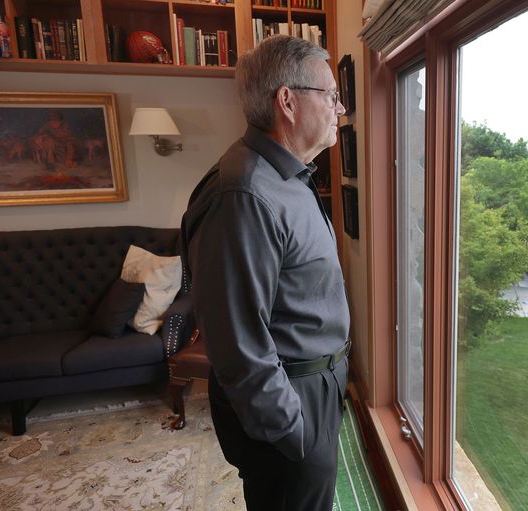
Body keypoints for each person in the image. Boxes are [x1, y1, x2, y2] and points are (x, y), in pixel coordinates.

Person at [180, 35, 349, 511]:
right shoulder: (244, 195)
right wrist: (292, 434)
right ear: (288, 101)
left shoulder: (287, 175)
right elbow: (237, 342)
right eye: (331, 95)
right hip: (287, 404)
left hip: (312, 388)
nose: (339, 108)